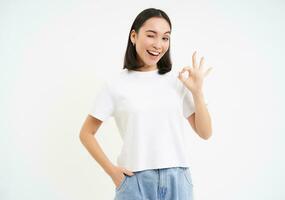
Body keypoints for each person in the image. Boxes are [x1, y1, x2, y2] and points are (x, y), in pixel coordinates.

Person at [79, 8, 213, 200]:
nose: (158, 44)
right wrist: (112, 172)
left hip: (177, 179)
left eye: (165, 38)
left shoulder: (178, 81)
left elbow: (205, 132)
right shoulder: (116, 84)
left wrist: (197, 92)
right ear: (134, 36)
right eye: (151, 35)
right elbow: (86, 133)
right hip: (135, 181)